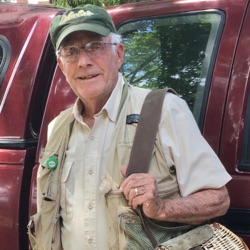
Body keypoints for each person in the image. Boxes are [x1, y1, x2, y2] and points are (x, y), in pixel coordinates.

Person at [28, 4, 232, 250]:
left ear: (119, 54)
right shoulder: (57, 128)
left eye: (95, 46)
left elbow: (218, 200)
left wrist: (161, 207)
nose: (83, 61)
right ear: (62, 66)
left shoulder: (165, 109)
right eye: (71, 52)